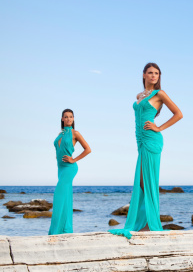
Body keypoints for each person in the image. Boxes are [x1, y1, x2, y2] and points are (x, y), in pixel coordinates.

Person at [109, 62, 183, 239]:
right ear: (143, 75)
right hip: (140, 141)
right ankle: (143, 222)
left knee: (149, 182)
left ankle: (150, 224)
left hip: (152, 140)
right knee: (142, 182)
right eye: (150, 73)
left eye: (156, 73)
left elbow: (178, 114)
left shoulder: (160, 94)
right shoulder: (139, 95)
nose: (153, 76)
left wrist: (159, 128)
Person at [48, 109, 91, 235]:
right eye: (66, 117)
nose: (68, 119)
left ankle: (54, 231)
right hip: (60, 169)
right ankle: (65, 230)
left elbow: (88, 149)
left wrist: (74, 159)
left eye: (71, 117)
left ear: (73, 119)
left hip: (69, 168)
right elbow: (59, 149)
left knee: (58, 196)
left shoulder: (75, 133)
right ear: (62, 119)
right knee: (66, 198)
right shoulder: (60, 134)